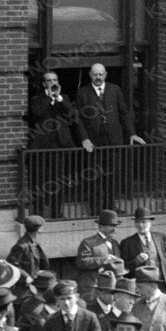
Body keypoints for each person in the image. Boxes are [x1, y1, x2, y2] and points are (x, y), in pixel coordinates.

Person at [73, 62, 143, 210]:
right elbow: (77, 118)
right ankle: (96, 207)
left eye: (100, 74)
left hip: (113, 140)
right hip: (93, 141)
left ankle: (111, 206)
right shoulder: (82, 93)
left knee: (112, 174)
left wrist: (132, 133)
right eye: (95, 74)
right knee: (95, 175)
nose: (98, 77)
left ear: (105, 74)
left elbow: (123, 113)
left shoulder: (115, 90)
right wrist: (84, 138)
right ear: (90, 75)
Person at [25, 68, 82, 216]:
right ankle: (38, 213)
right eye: (49, 81)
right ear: (44, 84)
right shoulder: (37, 99)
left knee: (59, 181)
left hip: (59, 146)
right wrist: (50, 98)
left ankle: (57, 212)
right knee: (39, 181)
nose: (52, 83)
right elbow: (37, 113)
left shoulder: (64, 99)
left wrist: (59, 99)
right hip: (41, 147)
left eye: (55, 80)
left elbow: (72, 115)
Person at [7, 213, 48, 280]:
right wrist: (26, 277)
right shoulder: (21, 246)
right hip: (25, 283)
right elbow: (11, 264)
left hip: (36, 278)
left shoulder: (34, 242)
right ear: (39, 229)